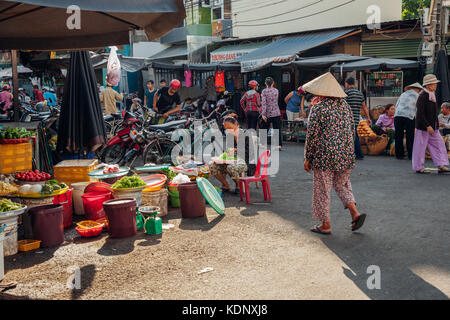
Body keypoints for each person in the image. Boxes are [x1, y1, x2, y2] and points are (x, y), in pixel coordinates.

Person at [303, 72, 366, 235]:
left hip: (325, 156)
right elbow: (352, 129)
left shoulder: (318, 108)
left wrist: (308, 157)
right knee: (342, 184)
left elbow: (312, 135)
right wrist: (349, 150)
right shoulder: (345, 106)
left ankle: (325, 224)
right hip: (345, 154)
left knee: (322, 190)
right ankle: (355, 213)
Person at [412, 74, 450, 174]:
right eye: (434, 84)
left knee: (439, 144)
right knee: (420, 147)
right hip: (424, 127)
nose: (436, 85)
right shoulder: (422, 96)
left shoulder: (431, 94)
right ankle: (418, 167)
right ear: (428, 85)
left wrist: (435, 124)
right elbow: (420, 113)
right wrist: (427, 125)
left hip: (433, 126)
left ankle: (440, 165)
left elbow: (433, 113)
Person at [209, 116, 256, 194]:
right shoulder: (230, 136)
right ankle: (226, 185)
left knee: (231, 167)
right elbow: (228, 152)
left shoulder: (246, 134)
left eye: (230, 127)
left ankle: (239, 184)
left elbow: (249, 153)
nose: (228, 130)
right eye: (226, 128)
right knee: (212, 166)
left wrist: (235, 151)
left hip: (245, 161)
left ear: (236, 124)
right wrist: (224, 156)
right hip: (232, 161)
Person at [394, 82, 423, 160]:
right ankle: (411, 154)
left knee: (398, 135)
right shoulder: (418, 96)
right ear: (417, 89)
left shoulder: (403, 94)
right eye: (419, 90)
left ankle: (399, 154)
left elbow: (397, 104)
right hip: (409, 116)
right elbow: (418, 109)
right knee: (410, 135)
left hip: (398, 115)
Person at [344, 77, 371, 160]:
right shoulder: (360, 93)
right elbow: (364, 107)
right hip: (356, 119)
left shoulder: (346, 93)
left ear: (347, 84)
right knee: (353, 136)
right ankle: (353, 154)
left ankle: (359, 154)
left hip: (347, 119)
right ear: (354, 84)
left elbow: (343, 106)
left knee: (352, 137)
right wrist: (368, 118)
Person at [261, 77, 282, 149]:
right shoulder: (276, 90)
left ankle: (263, 144)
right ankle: (278, 145)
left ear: (265, 83)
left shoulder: (264, 91)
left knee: (264, 128)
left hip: (268, 112)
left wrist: (263, 114)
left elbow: (264, 103)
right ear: (273, 83)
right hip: (276, 112)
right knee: (277, 129)